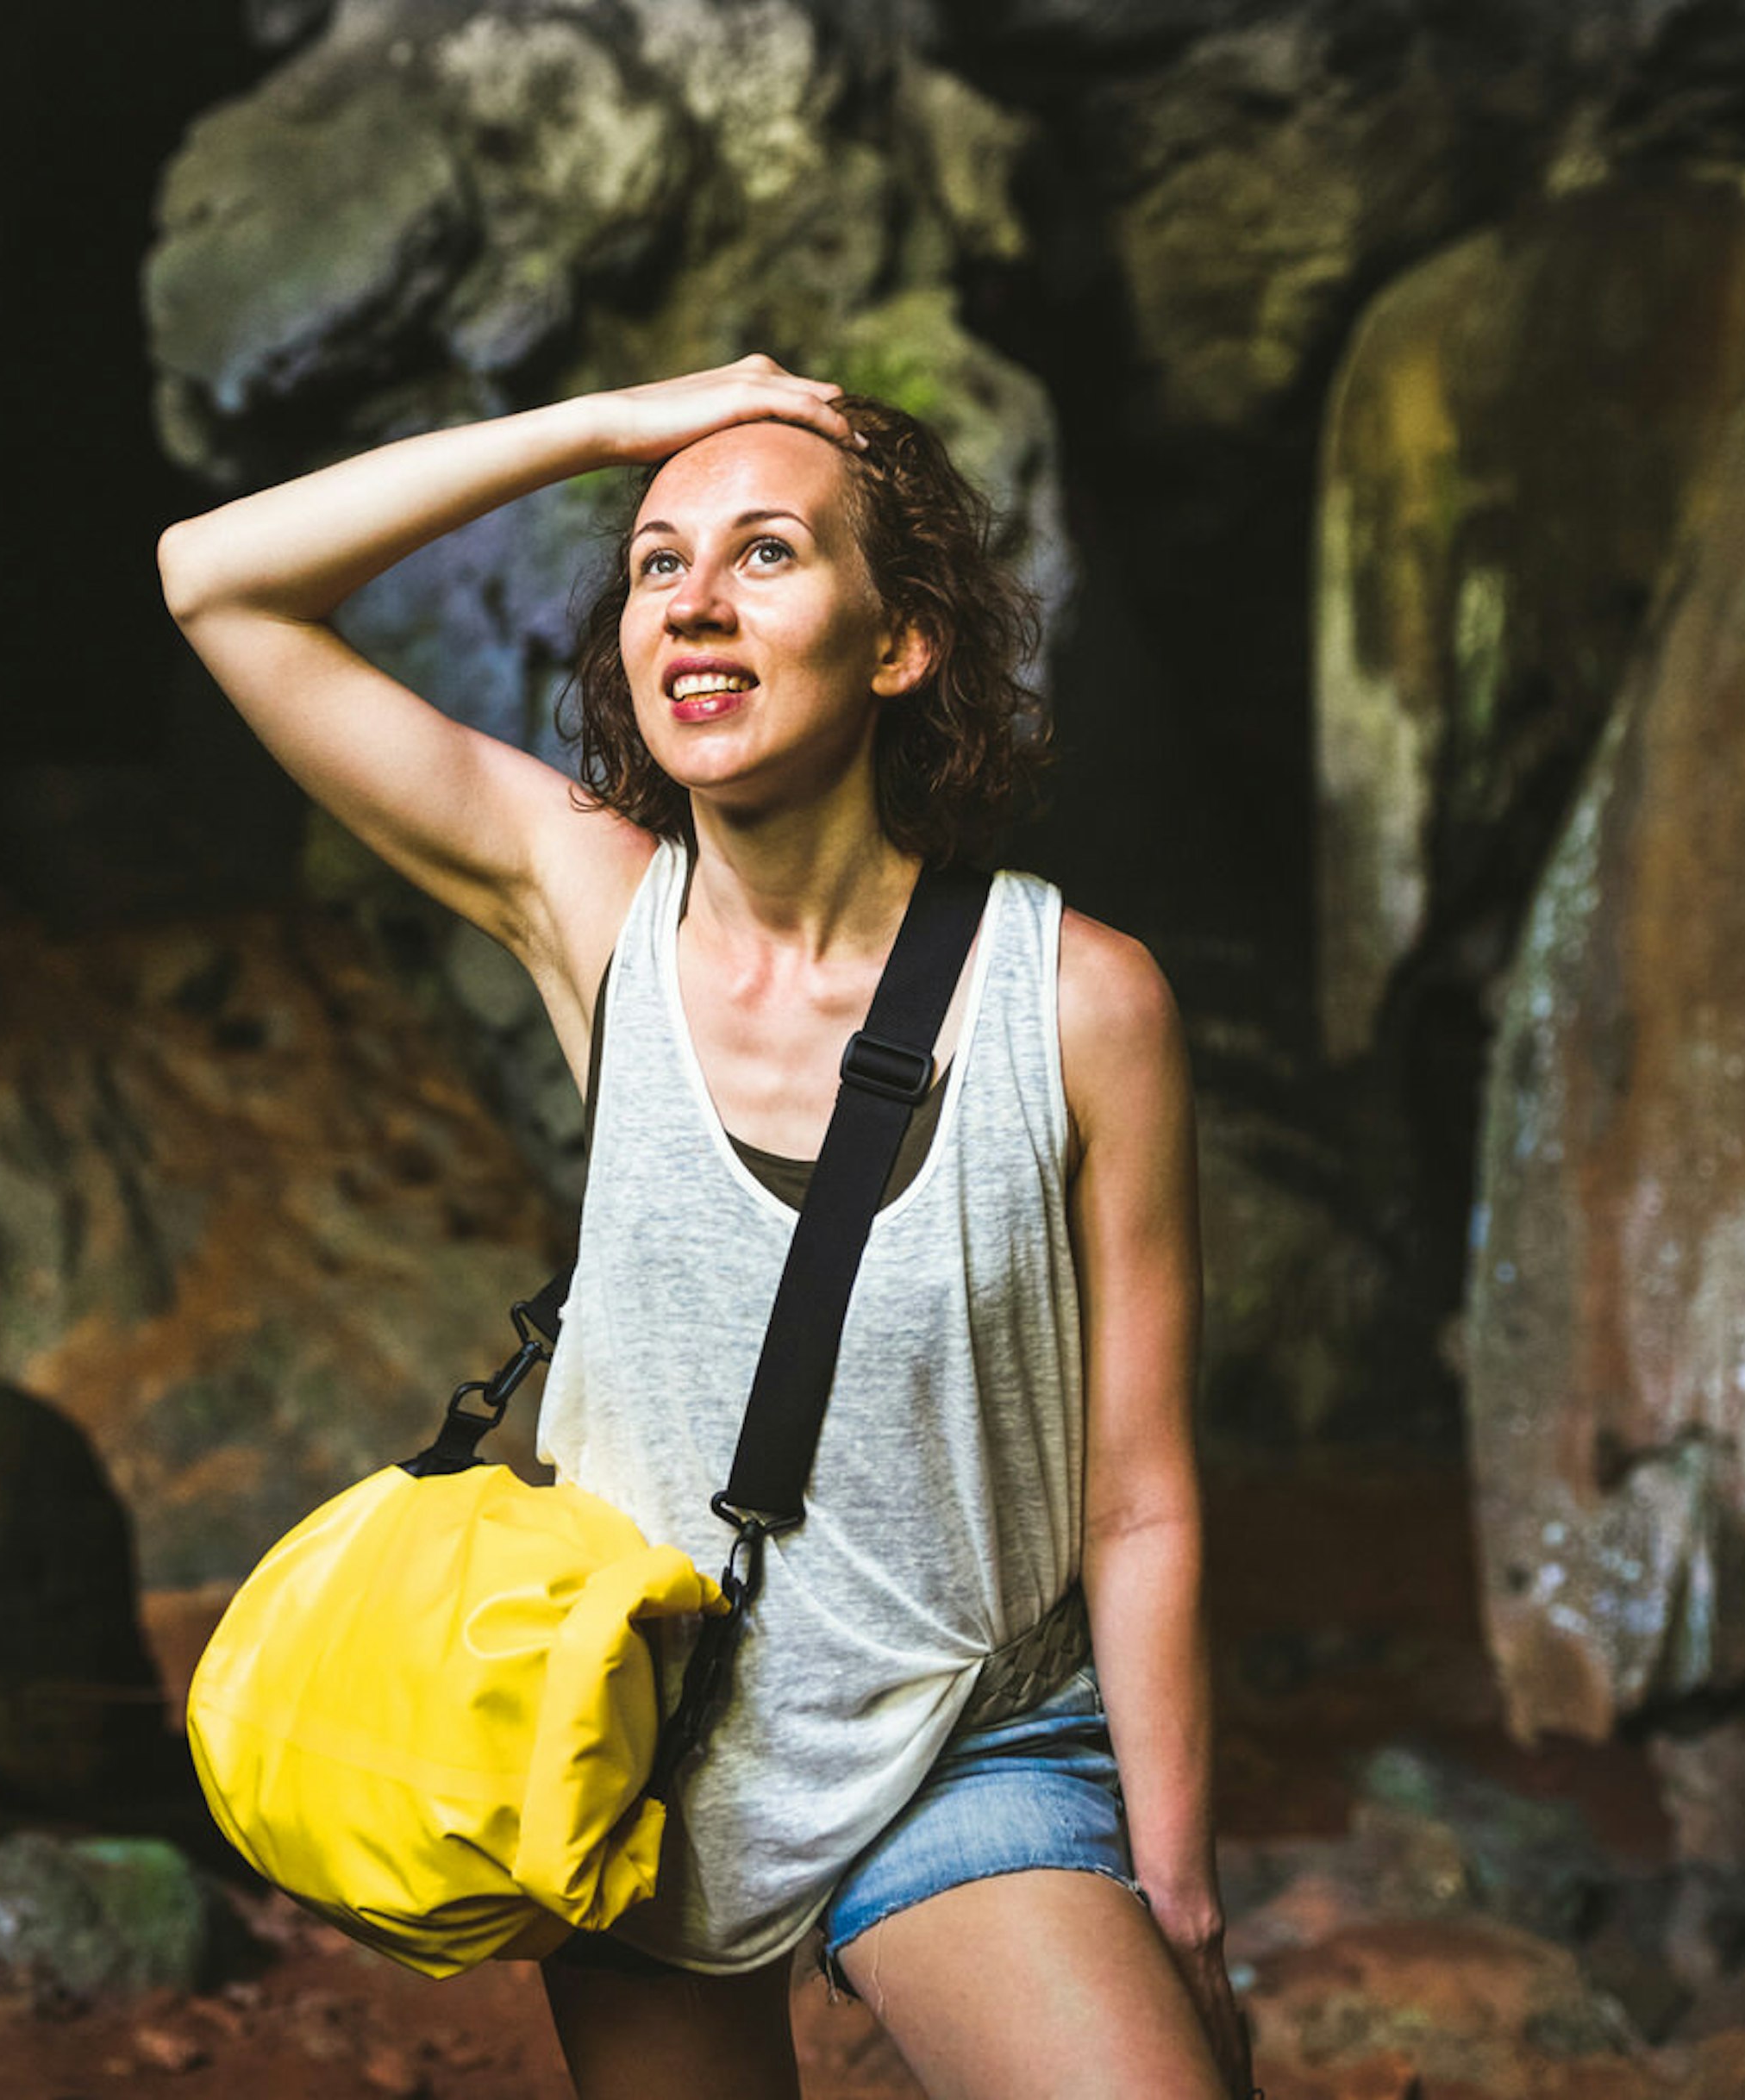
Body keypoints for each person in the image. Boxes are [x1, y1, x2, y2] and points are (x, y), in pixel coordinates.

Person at [159, 354, 1248, 2100]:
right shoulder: (591, 908)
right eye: (661, 564)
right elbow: (216, 579)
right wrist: (605, 430)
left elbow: (1139, 1495)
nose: (697, 603)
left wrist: (1179, 1889)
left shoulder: (1081, 1006)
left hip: (967, 1733)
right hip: (653, 1744)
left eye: (767, 554)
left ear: (900, 644)